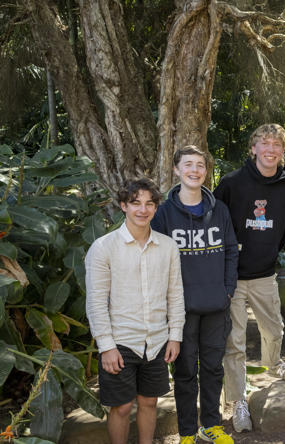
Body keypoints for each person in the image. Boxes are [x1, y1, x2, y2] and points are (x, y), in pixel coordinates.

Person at [214, 123, 285, 432]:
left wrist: (270, 253)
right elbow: (215, 224)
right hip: (232, 276)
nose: (271, 149)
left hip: (265, 273)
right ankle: (239, 401)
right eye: (265, 143)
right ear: (253, 149)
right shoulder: (231, 183)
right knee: (234, 341)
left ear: (282, 151)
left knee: (274, 328)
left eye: (277, 144)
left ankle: (274, 363)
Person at [85, 178, 185, 444]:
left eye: (149, 204)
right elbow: (95, 302)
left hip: (156, 341)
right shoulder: (103, 248)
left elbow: (175, 295)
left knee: (149, 402)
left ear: (155, 208)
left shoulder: (168, 247)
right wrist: (106, 346)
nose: (143, 210)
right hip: (120, 341)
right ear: (123, 206)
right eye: (135, 203)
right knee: (121, 407)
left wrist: (175, 336)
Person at [150, 145, 238, 444]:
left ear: (206, 171)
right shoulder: (163, 214)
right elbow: (156, 259)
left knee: (213, 369)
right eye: (188, 164)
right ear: (176, 169)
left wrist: (228, 290)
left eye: (200, 165)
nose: (195, 170)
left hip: (216, 304)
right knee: (185, 371)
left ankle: (211, 426)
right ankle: (187, 431)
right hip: (181, 309)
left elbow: (230, 252)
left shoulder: (220, 210)